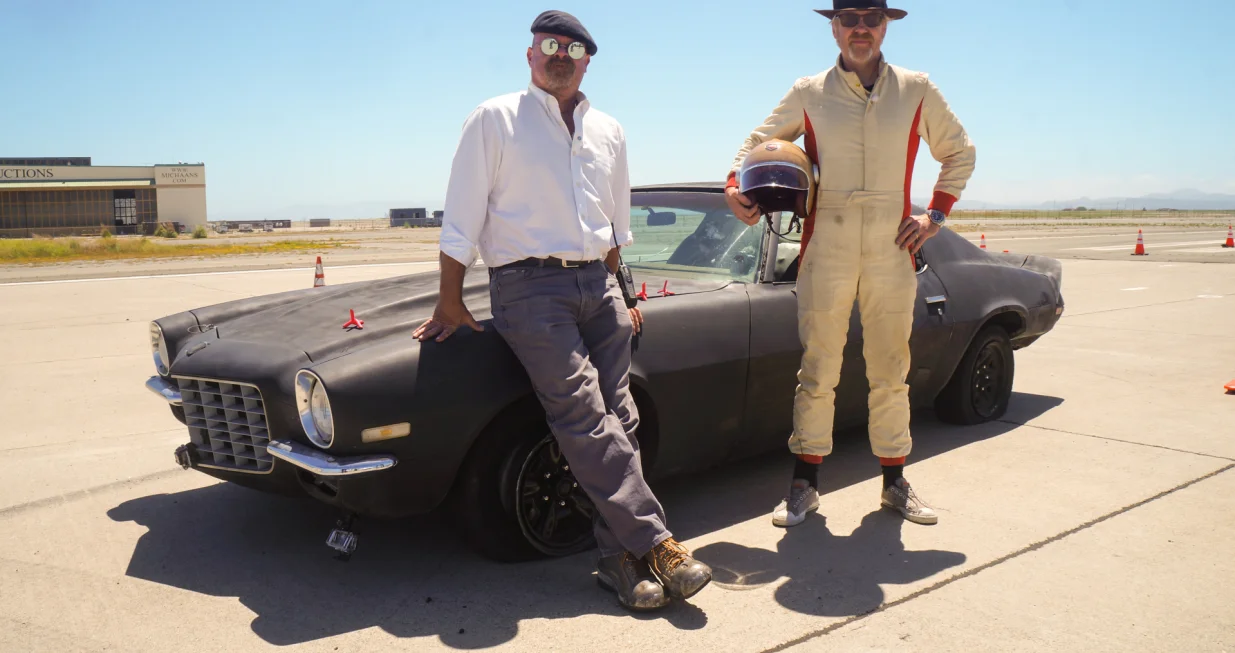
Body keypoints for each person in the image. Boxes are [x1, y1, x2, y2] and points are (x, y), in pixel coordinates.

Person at [412, 10, 711, 612]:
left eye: (573, 48)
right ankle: (659, 543)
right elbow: (461, 217)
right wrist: (450, 298)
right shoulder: (495, 118)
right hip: (527, 288)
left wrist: (625, 296)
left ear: (587, 60)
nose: (560, 55)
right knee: (580, 411)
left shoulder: (609, 130)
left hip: (597, 288)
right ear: (529, 54)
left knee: (621, 416)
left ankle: (618, 560)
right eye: (550, 44)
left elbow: (613, 228)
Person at [723, 0, 977, 528]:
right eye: (850, 20)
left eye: (871, 20)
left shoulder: (916, 88)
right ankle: (804, 484)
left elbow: (959, 152)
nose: (861, 30)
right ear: (834, 27)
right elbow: (755, 143)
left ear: (885, 26)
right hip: (827, 241)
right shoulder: (809, 91)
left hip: (891, 243)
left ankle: (894, 482)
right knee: (819, 367)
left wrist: (934, 216)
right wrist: (734, 185)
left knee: (891, 369)